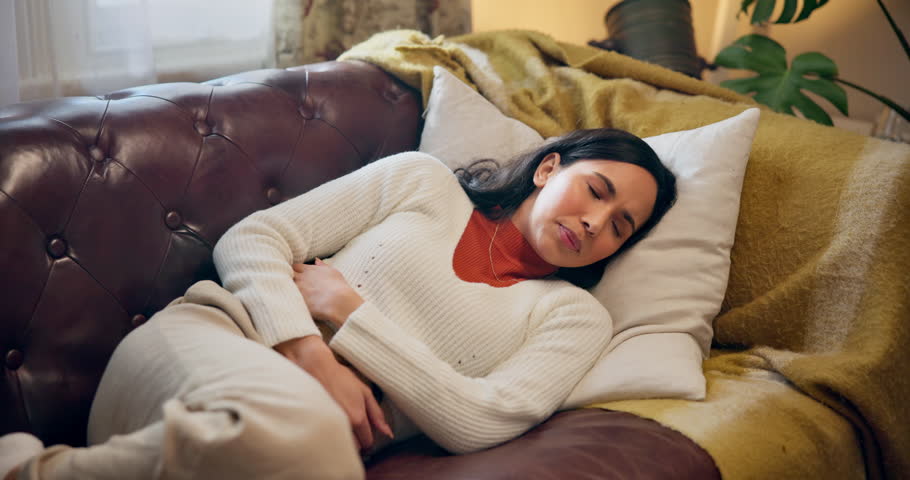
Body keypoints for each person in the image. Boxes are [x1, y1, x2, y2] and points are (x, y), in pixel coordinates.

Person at [1, 128, 676, 480]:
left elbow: (481, 420)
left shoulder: (574, 318)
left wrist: (351, 315)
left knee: (313, 451)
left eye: (621, 226)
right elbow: (255, 240)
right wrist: (309, 351)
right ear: (551, 167)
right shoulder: (422, 182)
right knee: (310, 440)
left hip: (289, 447)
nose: (596, 222)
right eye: (596, 190)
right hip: (210, 347)